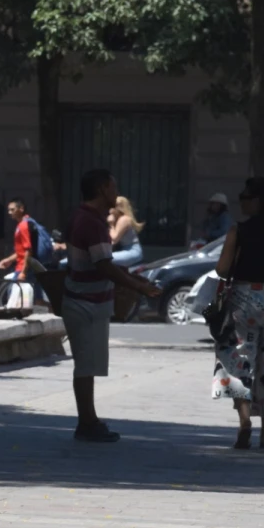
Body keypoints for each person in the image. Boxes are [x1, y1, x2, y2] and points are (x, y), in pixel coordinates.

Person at [63, 170, 160, 443]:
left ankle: (89, 419)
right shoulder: (90, 222)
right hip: (85, 303)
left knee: (88, 364)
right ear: (103, 188)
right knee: (85, 365)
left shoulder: (85, 217)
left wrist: (130, 279)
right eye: (113, 186)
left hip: (87, 301)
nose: (116, 192)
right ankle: (86, 423)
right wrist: (137, 286)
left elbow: (104, 262)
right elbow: (104, 265)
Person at [211, 176, 264, 449]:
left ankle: (244, 420)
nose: (241, 201)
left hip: (245, 296)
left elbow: (222, 269)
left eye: (246, 197)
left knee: (238, 357)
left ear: (260, 201)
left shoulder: (238, 231)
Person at [109, 196, 145, 268]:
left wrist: (111, 224)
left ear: (118, 208)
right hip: (127, 250)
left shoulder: (124, 219)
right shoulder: (119, 219)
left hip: (132, 251)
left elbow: (115, 239)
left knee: (105, 260)